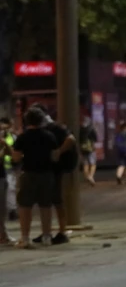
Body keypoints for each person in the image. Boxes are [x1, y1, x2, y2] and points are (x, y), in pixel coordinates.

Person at [11, 107, 58, 248]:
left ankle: (25, 238)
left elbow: (16, 157)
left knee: (25, 206)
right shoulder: (50, 136)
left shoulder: (22, 137)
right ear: (42, 120)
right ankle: (47, 236)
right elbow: (55, 157)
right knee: (46, 206)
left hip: (28, 173)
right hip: (46, 174)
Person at [33, 105, 76, 245]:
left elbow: (71, 139)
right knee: (47, 202)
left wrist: (58, 152)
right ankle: (48, 231)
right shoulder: (45, 129)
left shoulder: (54, 128)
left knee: (56, 200)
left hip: (55, 169)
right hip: (47, 169)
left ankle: (62, 231)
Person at [79, 117, 98, 185]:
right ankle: (91, 176)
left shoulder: (80, 129)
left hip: (82, 148)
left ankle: (87, 176)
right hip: (91, 148)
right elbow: (95, 139)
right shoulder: (91, 129)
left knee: (85, 164)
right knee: (93, 164)